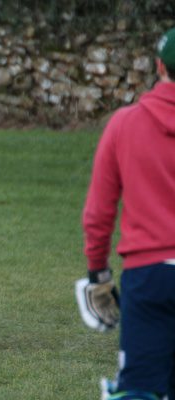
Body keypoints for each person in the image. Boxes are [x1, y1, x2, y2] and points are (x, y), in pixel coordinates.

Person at [79, 27, 175, 400]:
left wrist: (97, 273)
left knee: (139, 390)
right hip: (147, 272)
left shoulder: (125, 124)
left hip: (147, 276)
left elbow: (99, 212)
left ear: (158, 67)